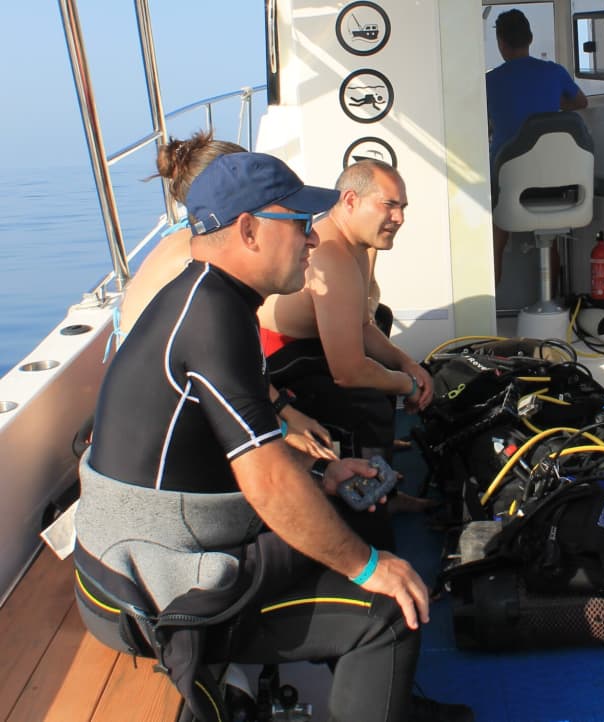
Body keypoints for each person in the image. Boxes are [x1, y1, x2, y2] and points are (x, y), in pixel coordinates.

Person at [73, 152, 473, 722]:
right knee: (384, 605)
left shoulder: (212, 298)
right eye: (300, 224)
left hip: (158, 545)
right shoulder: (211, 318)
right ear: (248, 229)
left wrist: (324, 474)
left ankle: (390, 701)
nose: (313, 239)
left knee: (355, 515)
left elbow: (239, 445)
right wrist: (368, 568)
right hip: (153, 583)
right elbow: (265, 482)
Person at [119, 131, 335, 461]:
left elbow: (240, 363)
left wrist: (288, 414)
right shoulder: (198, 268)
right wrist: (286, 431)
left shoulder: (197, 247)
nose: (313, 238)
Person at [258, 160, 434, 521]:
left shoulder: (359, 245)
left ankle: (378, 452)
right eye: (389, 205)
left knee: (381, 324)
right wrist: (408, 385)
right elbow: (349, 373)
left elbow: (364, 323)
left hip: (309, 344)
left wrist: (406, 364)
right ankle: (369, 501)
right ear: (350, 201)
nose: (399, 217)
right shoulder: (332, 255)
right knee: (365, 400)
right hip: (277, 362)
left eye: (402, 207)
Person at [486, 8, 588, 283]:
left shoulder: (489, 81)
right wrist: (555, 103)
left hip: (508, 181)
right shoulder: (555, 72)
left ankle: (492, 311)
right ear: (530, 38)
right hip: (554, 179)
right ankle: (553, 298)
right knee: (549, 233)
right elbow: (581, 103)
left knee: (496, 234)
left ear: (501, 43)